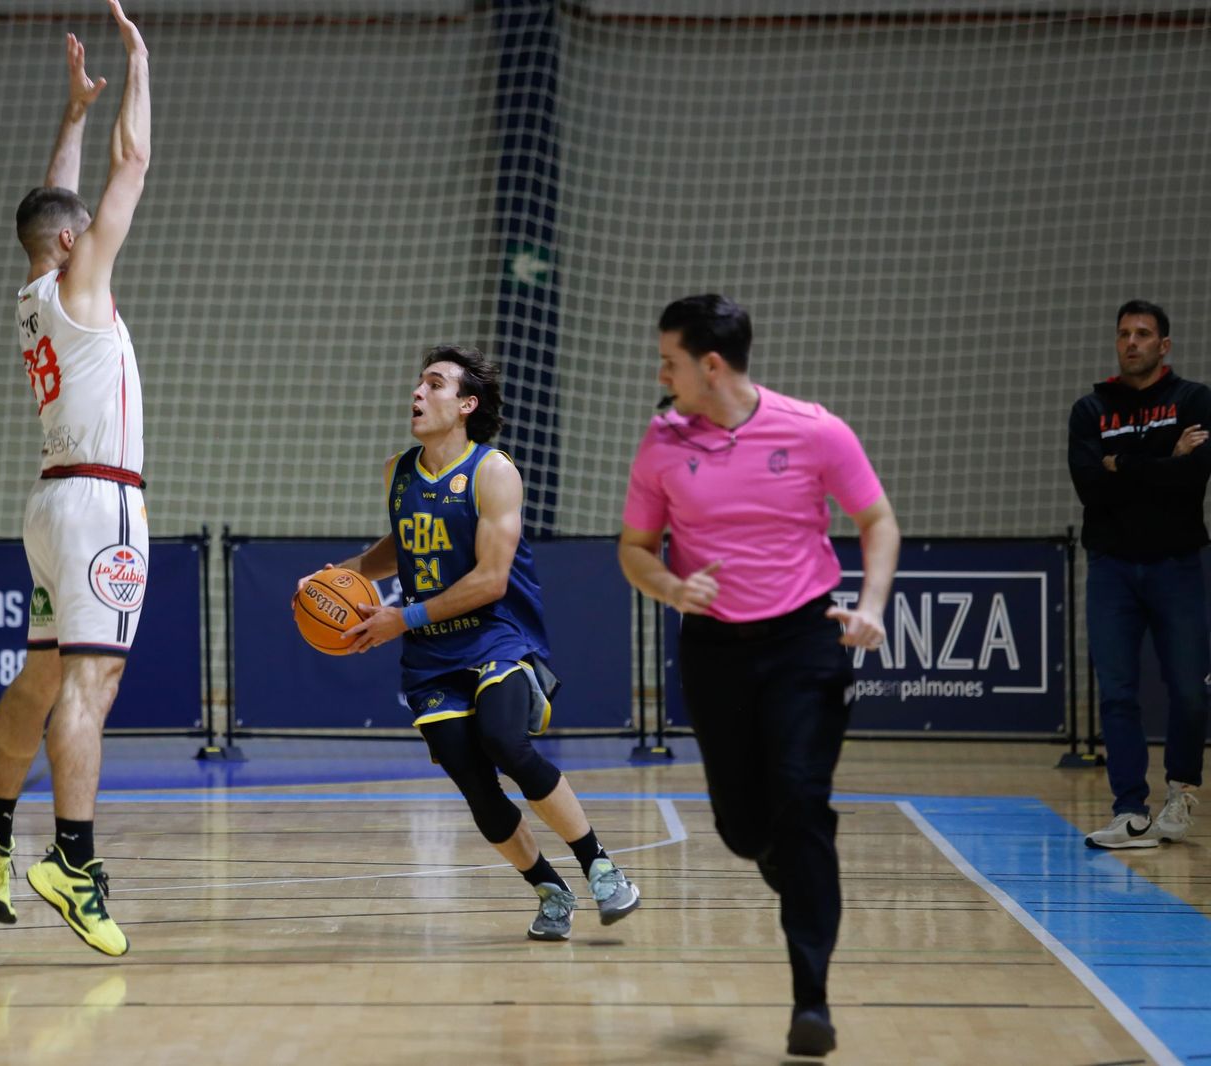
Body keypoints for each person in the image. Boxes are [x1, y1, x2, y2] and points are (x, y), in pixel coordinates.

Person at [617, 295, 898, 1059]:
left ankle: (812, 1001)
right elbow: (635, 547)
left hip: (805, 643)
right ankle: (783, 860)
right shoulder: (662, 442)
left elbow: (877, 520)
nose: (661, 373)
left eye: (669, 360)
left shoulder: (814, 430)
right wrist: (671, 588)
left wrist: (870, 606)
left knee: (803, 802)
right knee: (745, 828)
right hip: (716, 650)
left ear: (710, 365)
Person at [300, 345, 640, 941]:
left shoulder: (493, 471)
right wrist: (340, 576)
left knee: (505, 743)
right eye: (418, 384)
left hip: (494, 637)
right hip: (431, 655)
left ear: (465, 404)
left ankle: (601, 868)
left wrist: (399, 618)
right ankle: (548, 889)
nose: (418, 393)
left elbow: (490, 580)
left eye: (434, 385)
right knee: (472, 780)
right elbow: (401, 542)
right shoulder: (397, 471)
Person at [0, 1, 152, 957]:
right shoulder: (78, 284)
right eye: (84, 236)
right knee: (92, 682)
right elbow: (133, 167)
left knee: (40, 677)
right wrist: (137, 68)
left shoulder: (33, 291)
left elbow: (56, 204)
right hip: (101, 499)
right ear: (72, 247)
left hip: (48, 504)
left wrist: (70, 113)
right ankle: (72, 859)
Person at [1068, 299, 1207, 850]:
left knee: (1190, 692)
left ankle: (1180, 789)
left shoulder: (1194, 400)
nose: (1132, 342)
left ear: (1163, 345)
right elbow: (1088, 486)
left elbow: (1193, 478)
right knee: (1118, 692)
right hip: (1111, 568)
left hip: (1178, 565)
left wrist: (1121, 462)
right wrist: (1163, 458)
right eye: (1124, 333)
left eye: (1143, 334)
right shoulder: (1090, 409)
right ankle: (1130, 811)